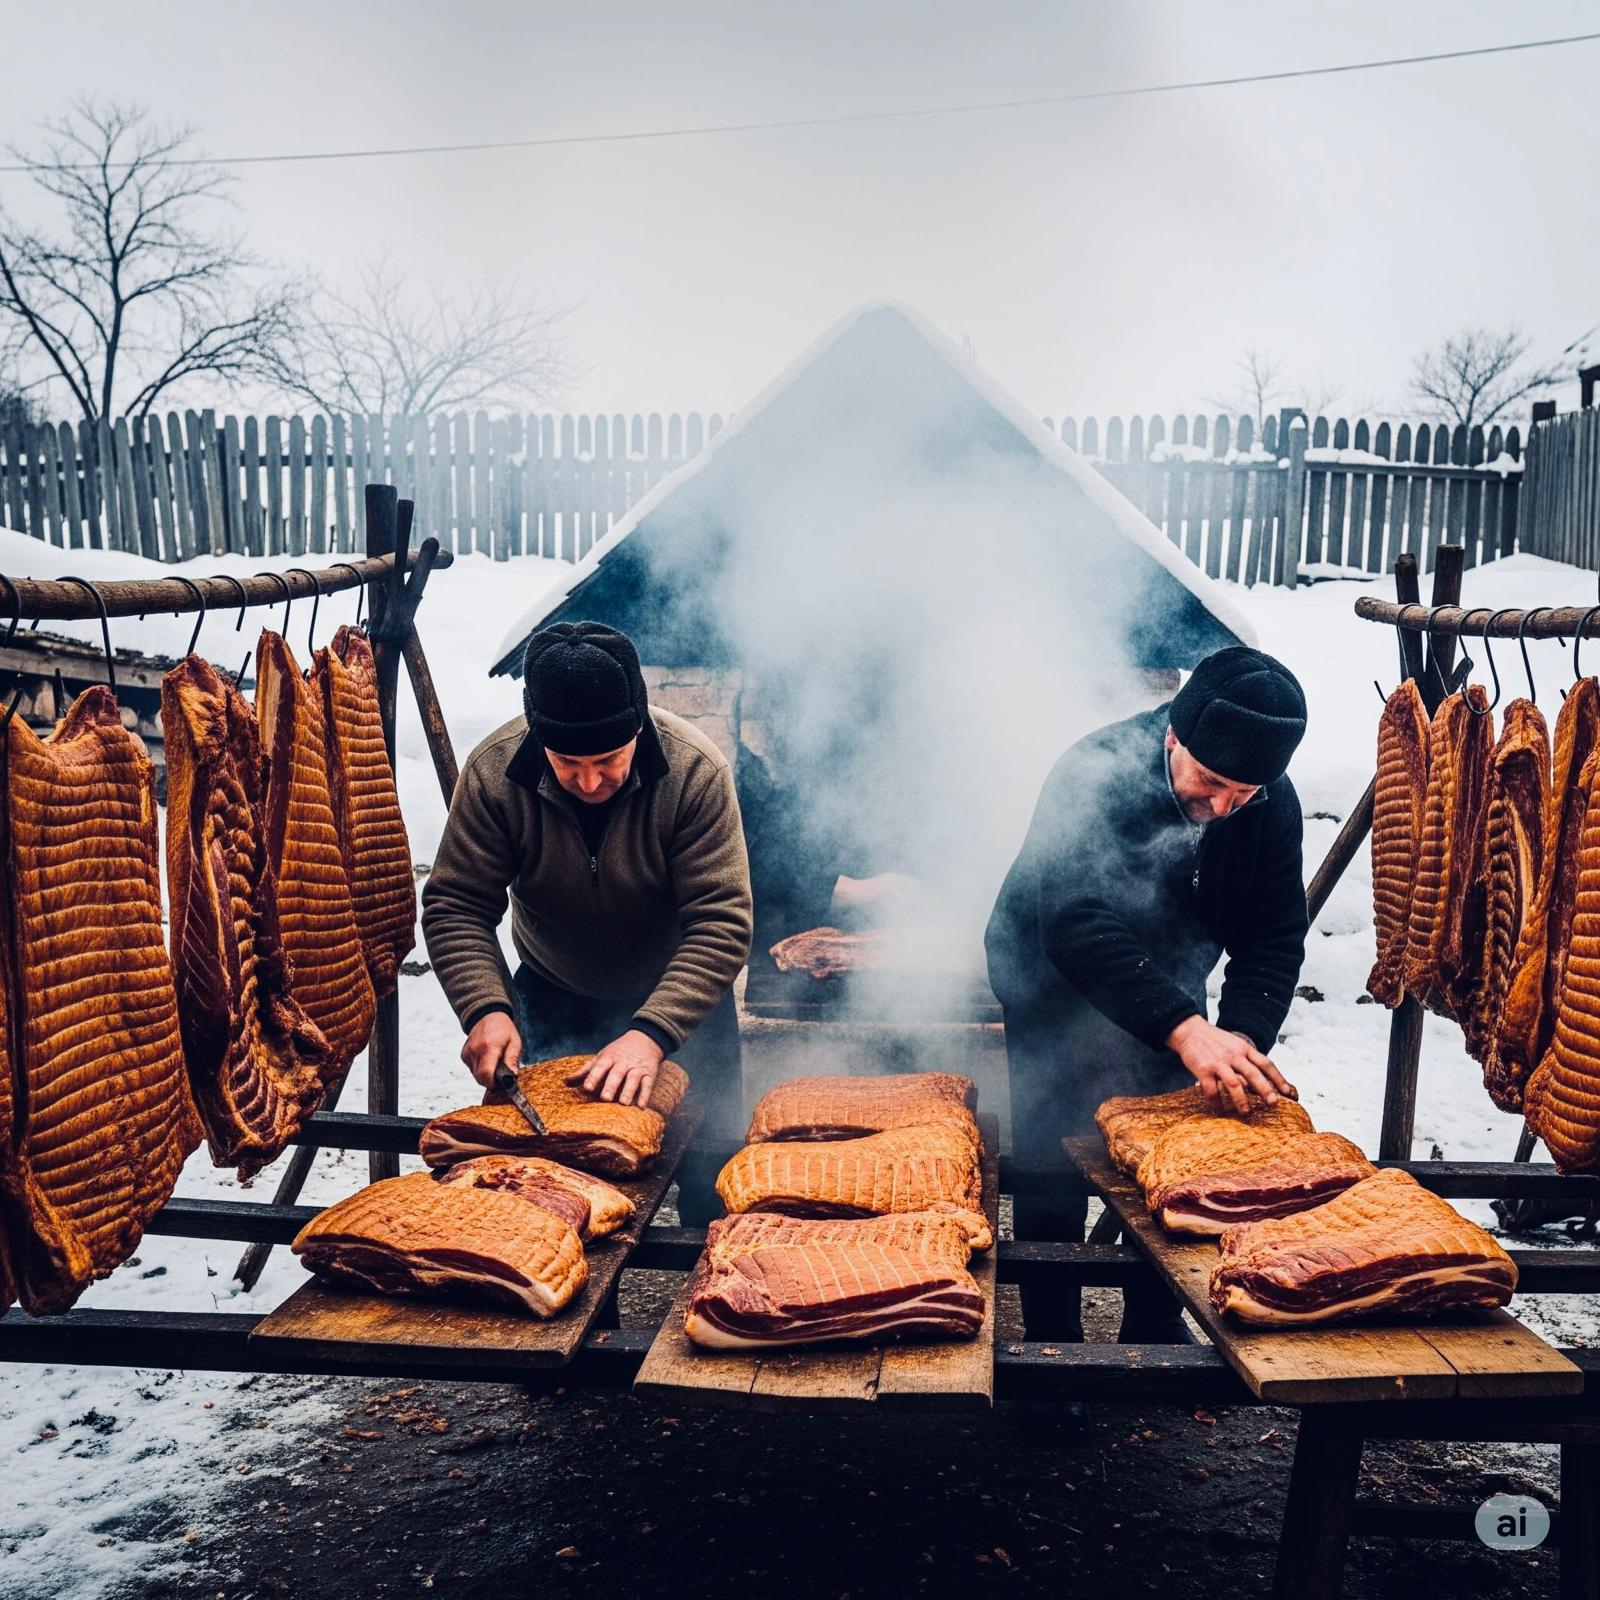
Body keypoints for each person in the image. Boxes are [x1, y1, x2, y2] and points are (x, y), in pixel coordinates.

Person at [985, 645, 1309, 1345]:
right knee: (1054, 1159)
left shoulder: (1270, 803)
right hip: (1048, 975)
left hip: (1170, 977)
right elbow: (1072, 919)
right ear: (1173, 736)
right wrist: (1186, 1028)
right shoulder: (1093, 771)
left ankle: (1153, 1329)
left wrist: (1240, 1038)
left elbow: (1274, 937)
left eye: (1243, 793)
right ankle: (1052, 1338)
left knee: (1181, 1152)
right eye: (1211, 781)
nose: (1222, 807)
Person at [421, 620, 753, 1226]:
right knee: (547, 1191)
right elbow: (457, 905)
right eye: (567, 762)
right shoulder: (494, 774)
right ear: (537, 736)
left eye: (608, 759)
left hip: (684, 1007)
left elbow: (721, 921)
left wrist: (651, 1033)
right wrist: (485, 1008)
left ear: (638, 727)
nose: (590, 781)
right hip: (555, 994)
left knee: (712, 1185)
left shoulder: (695, 772)